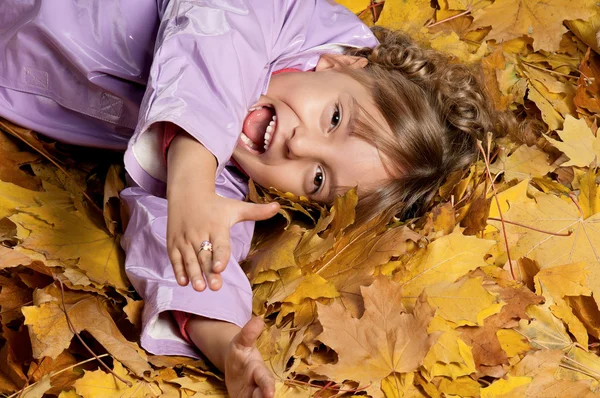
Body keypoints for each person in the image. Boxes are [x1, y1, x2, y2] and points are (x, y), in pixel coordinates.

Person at [0, 1, 511, 396]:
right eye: (334, 119)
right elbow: (217, 36)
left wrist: (228, 350)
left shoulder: (223, 172)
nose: (300, 145)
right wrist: (193, 175)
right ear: (343, 62)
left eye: (316, 178)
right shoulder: (277, 15)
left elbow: (197, 249)